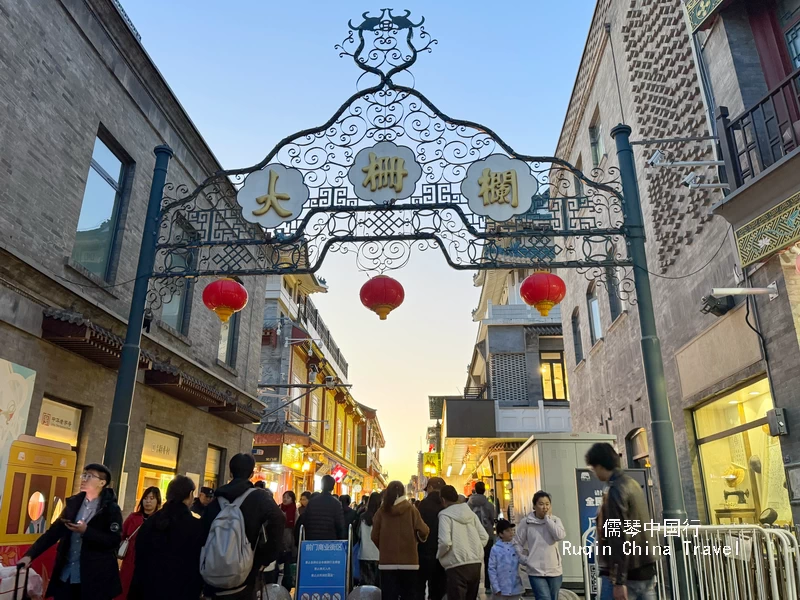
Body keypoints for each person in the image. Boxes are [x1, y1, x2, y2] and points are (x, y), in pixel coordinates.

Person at [19, 463, 122, 600]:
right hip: (66, 574)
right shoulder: (74, 504)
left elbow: (114, 541)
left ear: (102, 483)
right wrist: (30, 555)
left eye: (89, 476)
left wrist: (87, 531)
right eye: (83, 475)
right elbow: (53, 533)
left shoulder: (110, 509)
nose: (84, 479)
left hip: (93, 578)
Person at [201, 453, 285, 599]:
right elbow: (279, 519)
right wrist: (265, 559)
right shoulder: (259, 498)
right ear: (252, 474)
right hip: (245, 577)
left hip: (212, 577)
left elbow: (202, 534)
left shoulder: (215, 501)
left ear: (230, 472)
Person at [585, 443, 658, 600]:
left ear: (600, 465)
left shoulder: (615, 489)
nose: (593, 472)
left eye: (593, 467)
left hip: (626, 573)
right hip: (645, 568)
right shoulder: (632, 484)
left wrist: (618, 581)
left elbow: (617, 536)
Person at [128, 475, 205, 600]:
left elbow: (139, 560)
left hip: (146, 590)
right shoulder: (195, 526)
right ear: (190, 495)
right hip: (181, 592)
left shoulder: (150, 522)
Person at [371, 480, 429, 600]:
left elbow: (374, 535)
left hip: (387, 563)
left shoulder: (382, 512)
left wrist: (384, 548)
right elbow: (424, 530)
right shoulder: (412, 510)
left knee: (388, 595)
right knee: (409, 595)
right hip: (410, 562)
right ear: (403, 492)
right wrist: (416, 541)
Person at [437, 485, 488, 600]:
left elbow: (445, 542)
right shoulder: (470, 513)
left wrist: (439, 556)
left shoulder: (444, 515)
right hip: (475, 565)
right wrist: (475, 548)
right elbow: (484, 537)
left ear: (443, 500)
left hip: (456, 566)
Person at [513, 491, 565, 600]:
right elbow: (517, 542)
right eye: (541, 504)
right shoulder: (526, 522)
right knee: (544, 598)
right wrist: (524, 559)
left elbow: (559, 536)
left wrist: (548, 520)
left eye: (547, 504)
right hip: (535, 570)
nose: (544, 507)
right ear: (534, 506)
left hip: (554, 569)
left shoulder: (555, 520)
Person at [116, 486, 162, 600]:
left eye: (152, 498)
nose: (148, 501)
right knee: (124, 591)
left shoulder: (160, 520)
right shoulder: (133, 517)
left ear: (158, 501)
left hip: (149, 564)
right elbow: (121, 535)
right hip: (129, 562)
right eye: (146, 498)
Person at [416, 477, 446, 600]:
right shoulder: (446, 504)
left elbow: (417, 527)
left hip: (424, 551)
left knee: (419, 588)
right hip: (442, 553)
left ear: (430, 488)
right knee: (438, 590)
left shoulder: (423, 505)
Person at [467, 482, 497, 593]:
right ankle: (488, 586)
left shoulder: (468, 504)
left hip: (472, 536)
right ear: (484, 490)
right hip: (487, 535)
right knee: (488, 560)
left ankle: (472, 586)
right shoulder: (489, 505)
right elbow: (493, 518)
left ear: (474, 490)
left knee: (473, 561)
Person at [489, 519, 524, 600]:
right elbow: (492, 569)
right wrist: (495, 587)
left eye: (511, 530)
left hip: (515, 587)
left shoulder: (516, 546)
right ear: (501, 534)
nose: (511, 532)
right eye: (507, 531)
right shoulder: (495, 549)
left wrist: (519, 551)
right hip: (501, 588)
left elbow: (523, 561)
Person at [303, 475, 346, 540]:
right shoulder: (336, 503)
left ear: (321, 485)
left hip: (312, 539)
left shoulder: (312, 501)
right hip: (329, 540)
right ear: (332, 487)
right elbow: (340, 525)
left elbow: (305, 520)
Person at [358, 492, 382, 587]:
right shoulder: (382, 517)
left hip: (364, 554)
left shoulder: (362, 517)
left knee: (366, 586)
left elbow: (358, 534)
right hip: (379, 554)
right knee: (378, 585)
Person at [279, 491, 298, 591]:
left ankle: (287, 586)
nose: (285, 499)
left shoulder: (295, 511)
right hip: (279, 540)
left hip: (290, 541)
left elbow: (296, 526)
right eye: (284, 497)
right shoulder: (278, 508)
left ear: (292, 499)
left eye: (288, 497)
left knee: (287, 565)